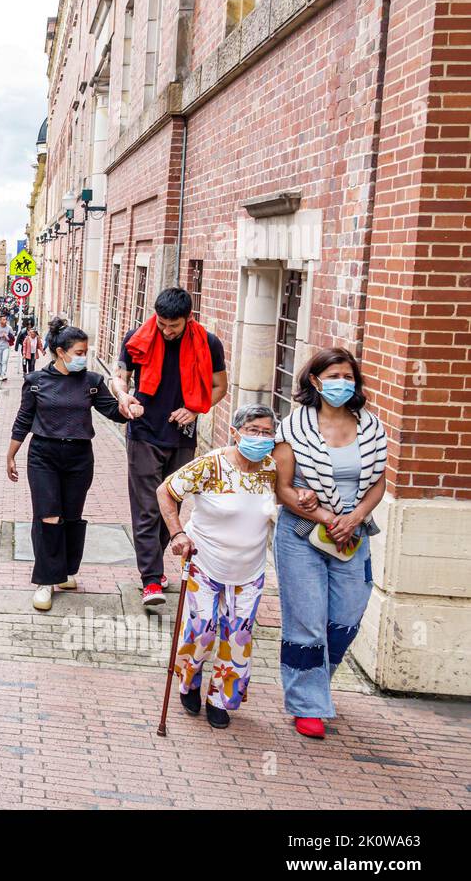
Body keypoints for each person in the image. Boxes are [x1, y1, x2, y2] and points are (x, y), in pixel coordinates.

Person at [271, 348, 387, 741]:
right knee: (307, 618)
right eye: (333, 375)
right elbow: (283, 489)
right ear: (316, 381)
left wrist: (353, 518)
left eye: (348, 376)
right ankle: (307, 706)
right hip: (303, 534)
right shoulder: (293, 428)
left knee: (346, 617)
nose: (342, 382)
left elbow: (378, 482)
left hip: (352, 535)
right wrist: (325, 517)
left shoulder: (371, 427)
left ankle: (315, 680)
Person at [156, 403, 279, 729]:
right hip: (205, 562)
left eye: (267, 432)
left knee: (238, 635)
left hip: (249, 569)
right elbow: (165, 492)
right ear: (235, 433)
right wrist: (177, 533)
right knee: (202, 629)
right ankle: (190, 679)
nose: (261, 437)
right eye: (253, 430)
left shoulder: (272, 468)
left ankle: (220, 699)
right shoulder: (210, 465)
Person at [110, 287, 228, 607]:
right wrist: (124, 396)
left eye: (172, 325)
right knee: (147, 507)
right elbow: (119, 377)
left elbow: (220, 386)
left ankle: (155, 566)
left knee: (170, 508)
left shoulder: (208, 343)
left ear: (188, 318)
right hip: (143, 430)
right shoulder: (139, 337)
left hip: (182, 434)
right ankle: (151, 579)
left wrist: (195, 409)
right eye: (161, 323)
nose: (165, 330)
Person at [6, 318, 134, 611]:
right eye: (78, 352)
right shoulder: (37, 382)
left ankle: (64, 572)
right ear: (61, 352)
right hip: (43, 455)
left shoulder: (91, 382)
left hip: (79, 456)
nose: (83, 357)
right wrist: (11, 454)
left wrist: (130, 408)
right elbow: (24, 418)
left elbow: (111, 410)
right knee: (48, 515)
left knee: (72, 517)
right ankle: (45, 581)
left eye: (85, 352)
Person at [0, 313, 15, 383]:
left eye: (6, 319)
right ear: (0, 320)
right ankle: (0, 374)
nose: (5, 321)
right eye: (3, 320)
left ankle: (4, 374)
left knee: (4, 360)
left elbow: (12, 337)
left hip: (6, 347)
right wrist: (0, 336)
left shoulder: (9, 328)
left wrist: (6, 336)